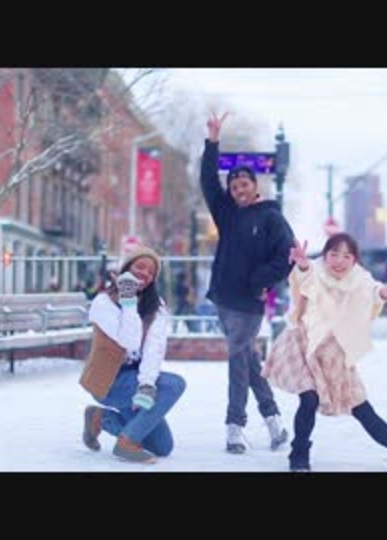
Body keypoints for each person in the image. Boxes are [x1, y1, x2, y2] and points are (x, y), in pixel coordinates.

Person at [263, 232, 387, 472]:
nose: (339, 261)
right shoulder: (315, 270)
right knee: (309, 397)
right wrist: (303, 265)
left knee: (362, 408)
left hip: (335, 353)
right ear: (325, 255)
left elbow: (374, 293)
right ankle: (299, 456)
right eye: (334, 254)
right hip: (303, 344)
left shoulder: (360, 279)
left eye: (347, 256)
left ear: (354, 260)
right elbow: (304, 280)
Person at [200, 112, 296, 454]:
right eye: (234, 187)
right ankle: (274, 422)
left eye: (244, 185)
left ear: (255, 186)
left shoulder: (271, 217)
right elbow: (208, 181)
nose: (239, 190)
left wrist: (259, 280)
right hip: (223, 299)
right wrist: (213, 142)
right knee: (248, 361)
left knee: (237, 361)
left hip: (249, 302)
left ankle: (235, 427)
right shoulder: (226, 214)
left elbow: (286, 256)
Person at [79, 245, 187, 464]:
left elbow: (154, 349)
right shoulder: (103, 302)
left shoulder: (156, 306)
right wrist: (128, 300)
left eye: (151, 272)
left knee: (162, 446)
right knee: (174, 384)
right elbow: (130, 340)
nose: (144, 273)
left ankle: (100, 418)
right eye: (140, 266)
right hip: (109, 383)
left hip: (136, 381)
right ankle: (126, 443)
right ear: (127, 267)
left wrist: (147, 384)